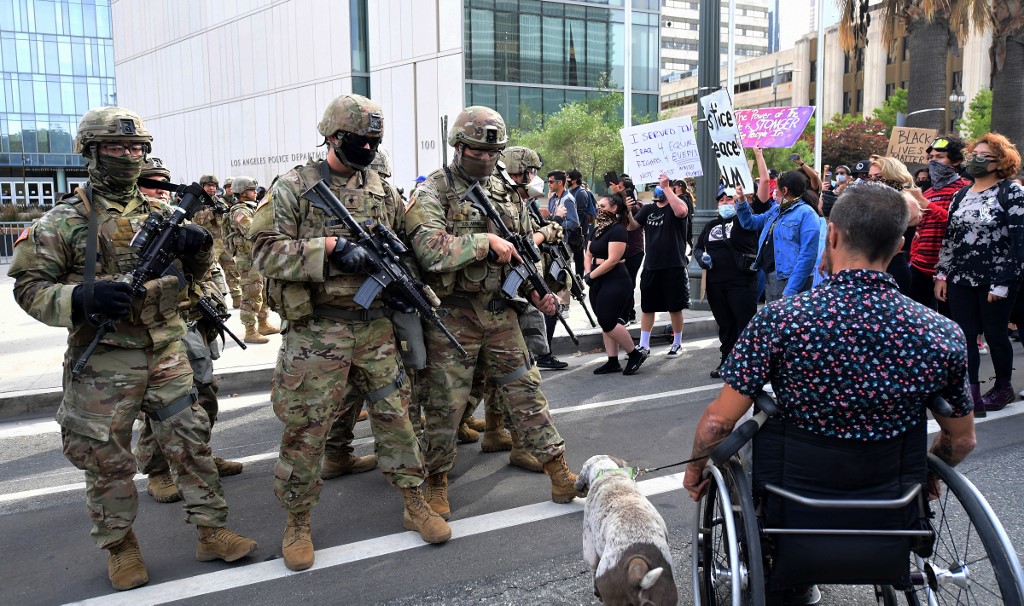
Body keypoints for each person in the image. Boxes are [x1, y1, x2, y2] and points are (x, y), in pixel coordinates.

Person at [684, 182, 976, 604]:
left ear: (832, 235)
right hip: (890, 491)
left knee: (742, 455)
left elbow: (718, 422)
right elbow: (961, 438)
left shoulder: (781, 321)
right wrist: (928, 472)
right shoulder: (942, 333)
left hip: (795, 491)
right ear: (898, 245)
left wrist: (696, 469)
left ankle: (791, 581)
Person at [8, 106, 258, 591]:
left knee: (191, 444)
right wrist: (81, 297)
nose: (129, 156)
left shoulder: (163, 214)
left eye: (136, 148)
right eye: (116, 148)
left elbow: (200, 273)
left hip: (165, 349)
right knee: (107, 459)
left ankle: (211, 531)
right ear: (91, 153)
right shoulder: (62, 222)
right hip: (105, 359)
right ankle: (121, 547)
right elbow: (29, 288)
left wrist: (198, 248)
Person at [250, 94, 451, 571]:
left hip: (375, 328)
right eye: (360, 140)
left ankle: (413, 501)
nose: (367, 148)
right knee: (307, 429)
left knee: (396, 417)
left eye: (374, 142)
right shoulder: (294, 187)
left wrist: (412, 287)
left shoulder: (382, 187)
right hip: (318, 332)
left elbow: (408, 241)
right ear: (333, 138)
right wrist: (328, 247)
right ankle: (297, 521)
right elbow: (261, 252)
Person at [405, 105, 586, 520]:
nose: (485, 159)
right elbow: (429, 249)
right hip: (452, 315)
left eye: (493, 153)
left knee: (527, 392)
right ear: (458, 146)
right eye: (477, 152)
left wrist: (536, 291)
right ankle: (436, 483)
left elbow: (522, 246)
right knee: (444, 407)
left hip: (500, 312)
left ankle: (559, 472)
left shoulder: (503, 189)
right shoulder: (432, 190)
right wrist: (483, 242)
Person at [132, 158, 244, 505]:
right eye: (150, 184)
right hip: (154, 328)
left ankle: (200, 454)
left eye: (163, 185)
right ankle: (158, 471)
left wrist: (215, 295)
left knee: (205, 395)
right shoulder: (128, 228)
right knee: (163, 406)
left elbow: (207, 270)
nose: (157, 192)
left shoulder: (177, 221)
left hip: (192, 319)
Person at [934, 132, 1024, 417]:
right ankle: (970, 393)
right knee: (966, 335)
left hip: (996, 279)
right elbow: (951, 238)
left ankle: (1003, 386)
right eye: (974, 154)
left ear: (1001, 162)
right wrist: (942, 274)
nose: (976, 160)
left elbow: (1019, 242)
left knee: (996, 335)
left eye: (984, 156)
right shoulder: (961, 194)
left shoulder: (1011, 192)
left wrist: (1003, 282)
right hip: (960, 277)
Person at [694, 184, 758, 378]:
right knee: (725, 325)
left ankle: (751, 364)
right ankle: (727, 361)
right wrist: (701, 258)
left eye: (728, 199)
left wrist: (741, 202)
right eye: (721, 200)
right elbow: (697, 247)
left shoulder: (745, 222)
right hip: (715, 284)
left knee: (746, 324)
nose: (724, 203)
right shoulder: (710, 225)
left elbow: (749, 241)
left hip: (741, 283)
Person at [584, 193, 649, 375]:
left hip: (616, 279)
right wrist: (589, 273)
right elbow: (588, 254)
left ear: (614, 209)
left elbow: (613, 260)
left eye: (603, 206)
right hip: (598, 278)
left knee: (608, 319)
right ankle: (612, 361)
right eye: (598, 206)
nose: (599, 209)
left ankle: (635, 354)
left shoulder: (618, 230)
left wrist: (591, 276)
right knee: (604, 320)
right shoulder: (597, 230)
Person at [736, 170, 822, 302]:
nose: (774, 191)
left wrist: (791, 289)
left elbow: (808, 255)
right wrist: (742, 201)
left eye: (776, 188)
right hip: (771, 276)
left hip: (790, 279)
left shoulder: (807, 213)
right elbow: (750, 223)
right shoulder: (776, 210)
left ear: (785, 190)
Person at [629, 173, 691, 356]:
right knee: (648, 306)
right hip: (651, 265)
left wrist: (667, 188)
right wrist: (626, 211)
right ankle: (644, 344)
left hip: (674, 264)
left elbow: (681, 212)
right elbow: (633, 226)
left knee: (675, 306)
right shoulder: (649, 209)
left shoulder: (678, 203)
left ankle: (677, 343)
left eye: (661, 185)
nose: (658, 188)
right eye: (656, 185)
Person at [908, 135, 972, 311]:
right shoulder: (927, 193)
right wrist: (914, 258)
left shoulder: (965, 189)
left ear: (956, 161)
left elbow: (959, 225)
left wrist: (928, 205)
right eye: (931, 158)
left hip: (951, 271)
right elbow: (919, 232)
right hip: (921, 267)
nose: (934, 162)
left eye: (940, 157)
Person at [223, 176, 279, 344]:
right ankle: (250, 330)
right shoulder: (239, 210)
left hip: (258, 255)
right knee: (251, 293)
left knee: (263, 291)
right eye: (251, 190)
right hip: (247, 259)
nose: (255, 192)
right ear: (242, 192)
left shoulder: (252, 207)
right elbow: (251, 229)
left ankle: (263, 323)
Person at [535, 170, 577, 370]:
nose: (548, 184)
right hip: (547, 252)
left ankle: (543, 351)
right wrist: (553, 220)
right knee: (548, 303)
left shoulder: (567, 199)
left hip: (559, 251)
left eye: (551, 182)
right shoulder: (552, 199)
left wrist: (556, 222)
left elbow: (574, 223)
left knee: (555, 298)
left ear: (560, 183)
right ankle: (543, 352)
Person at [868, 156, 918, 294]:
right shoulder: (878, 200)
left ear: (893, 174)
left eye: (878, 176)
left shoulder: (906, 201)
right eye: (870, 176)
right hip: (875, 264)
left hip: (893, 267)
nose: (873, 181)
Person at [194, 174, 242, 308]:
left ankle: (237, 299)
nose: (211, 189)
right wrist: (212, 212)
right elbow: (197, 219)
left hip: (223, 241)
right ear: (202, 186)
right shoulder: (196, 201)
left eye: (214, 186)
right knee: (209, 272)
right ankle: (215, 299)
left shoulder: (218, 201)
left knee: (233, 269)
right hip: (208, 243)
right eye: (208, 186)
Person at [605, 172, 644, 324]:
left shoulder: (637, 206)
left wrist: (621, 200)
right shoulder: (616, 207)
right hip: (620, 252)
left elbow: (630, 222)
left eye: (619, 187)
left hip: (634, 251)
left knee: (628, 284)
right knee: (622, 283)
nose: (615, 189)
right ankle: (629, 312)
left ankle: (626, 315)